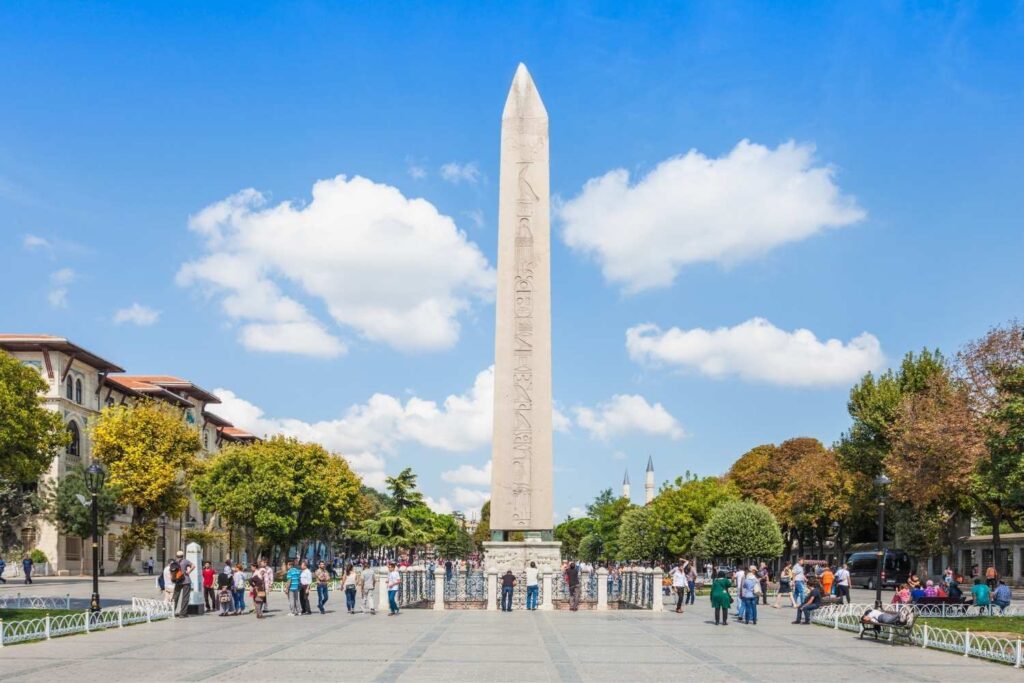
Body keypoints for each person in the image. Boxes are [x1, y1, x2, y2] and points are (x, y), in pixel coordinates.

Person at [170, 550, 194, 618]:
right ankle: (183, 613)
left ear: (176, 556)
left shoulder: (174, 562)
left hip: (177, 581)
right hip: (186, 580)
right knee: (185, 597)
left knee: (175, 597)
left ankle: (171, 611)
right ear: (183, 556)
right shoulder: (185, 561)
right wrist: (188, 572)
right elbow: (193, 566)